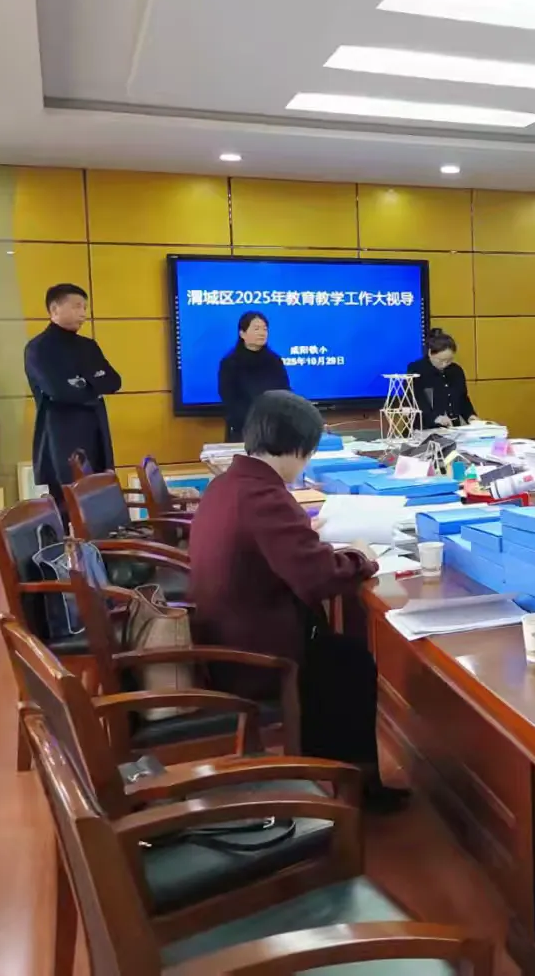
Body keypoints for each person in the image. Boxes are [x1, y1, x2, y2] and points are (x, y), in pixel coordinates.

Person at [186, 391, 408, 813]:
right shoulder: (265, 497)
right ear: (297, 448)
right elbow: (318, 577)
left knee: (340, 653)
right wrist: (362, 557)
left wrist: (307, 535)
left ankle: (338, 776)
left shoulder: (229, 483)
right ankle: (350, 789)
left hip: (225, 635)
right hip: (254, 655)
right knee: (349, 661)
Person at [25, 283, 121, 496]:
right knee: (68, 500)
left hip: (95, 430)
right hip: (61, 434)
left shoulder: (88, 346)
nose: (83, 313)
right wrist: (93, 384)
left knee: (99, 496)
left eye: (85, 307)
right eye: (77, 306)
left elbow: (113, 382)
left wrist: (80, 382)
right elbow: (57, 390)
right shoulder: (39, 348)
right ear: (54, 309)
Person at [218, 310, 291, 442]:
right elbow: (230, 399)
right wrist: (256, 420)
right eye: (256, 329)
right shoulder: (230, 363)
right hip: (243, 430)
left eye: (265, 329)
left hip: (274, 429)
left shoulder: (274, 361)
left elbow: (285, 392)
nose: (262, 333)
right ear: (242, 333)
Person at [407, 328, 475, 429]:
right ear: (430, 353)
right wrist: (435, 418)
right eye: (440, 360)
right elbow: (415, 399)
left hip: (452, 429)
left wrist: (470, 416)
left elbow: (462, 399)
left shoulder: (456, 370)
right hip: (425, 428)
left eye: (449, 360)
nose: (444, 364)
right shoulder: (416, 369)